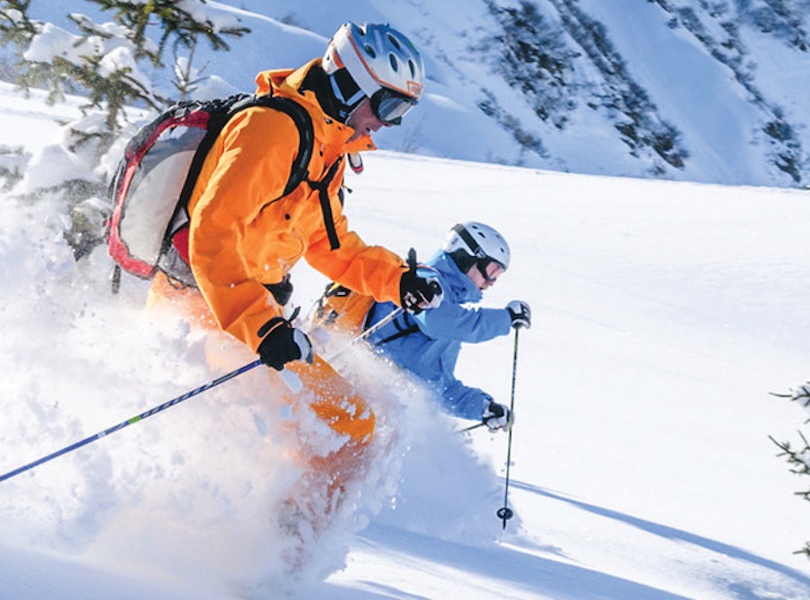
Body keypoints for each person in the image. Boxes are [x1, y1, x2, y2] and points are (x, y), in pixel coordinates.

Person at [145, 23, 441, 513]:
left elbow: (329, 243)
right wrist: (262, 327)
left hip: (248, 319)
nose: (390, 124)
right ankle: (277, 557)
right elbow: (213, 235)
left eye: (403, 111)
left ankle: (259, 545)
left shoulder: (327, 147)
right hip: (207, 311)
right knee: (348, 426)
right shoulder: (272, 130)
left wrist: (398, 280)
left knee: (337, 430)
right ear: (350, 84)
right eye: (389, 106)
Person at [358, 222, 532, 431]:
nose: (492, 281)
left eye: (498, 276)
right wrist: (506, 319)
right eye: (492, 270)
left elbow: (439, 390)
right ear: (468, 257)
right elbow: (436, 321)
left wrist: (483, 407)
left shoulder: (452, 314)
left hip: (385, 413)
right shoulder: (422, 283)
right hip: (358, 388)